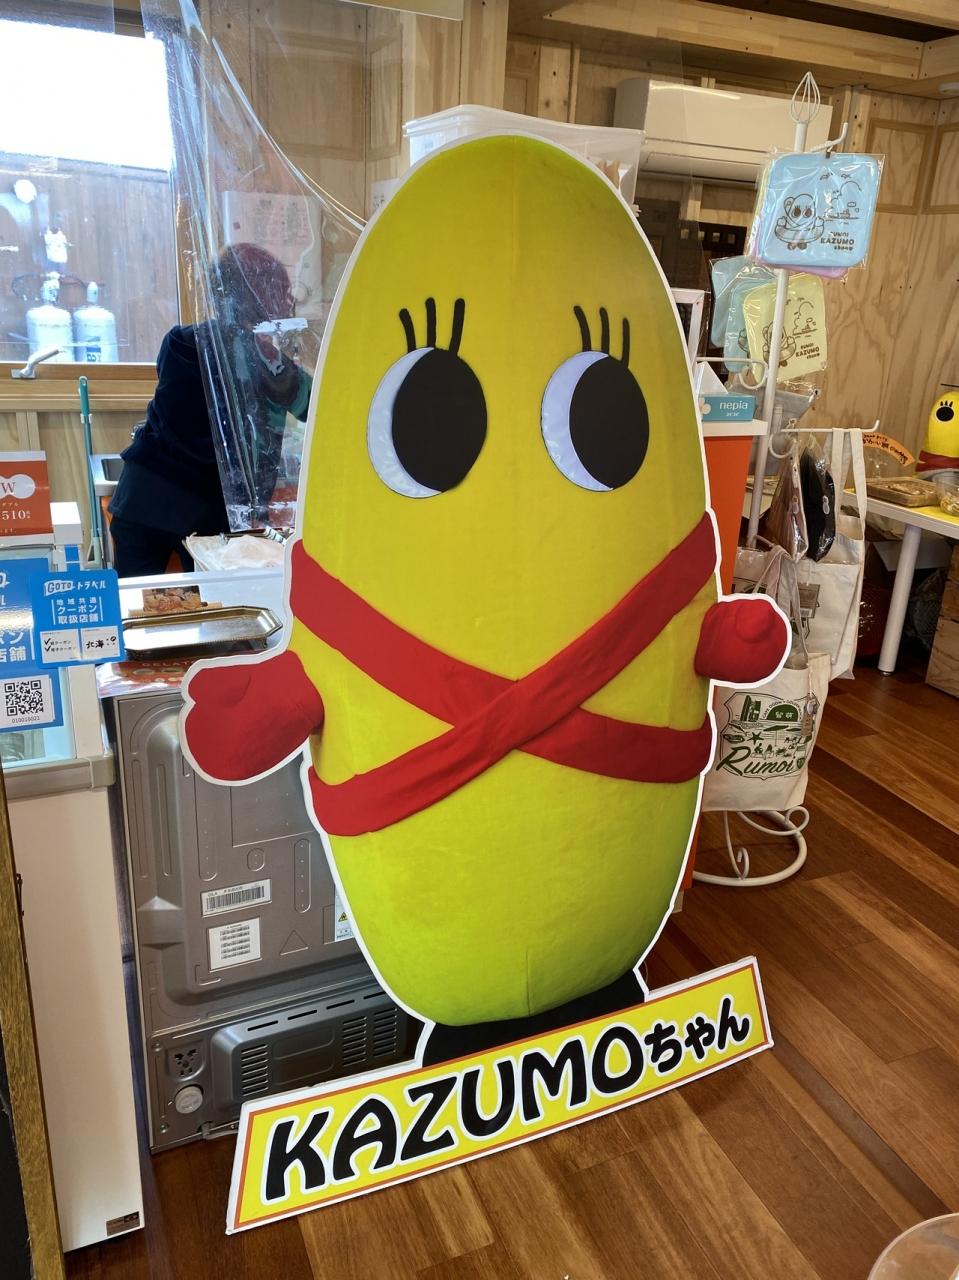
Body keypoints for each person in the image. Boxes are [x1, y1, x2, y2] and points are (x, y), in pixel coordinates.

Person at [108, 244, 312, 577]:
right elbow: (313, 405)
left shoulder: (179, 341)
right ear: (259, 295)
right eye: (281, 290)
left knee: (136, 602)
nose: (287, 300)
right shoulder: (262, 359)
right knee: (210, 605)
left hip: (142, 497)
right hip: (201, 512)